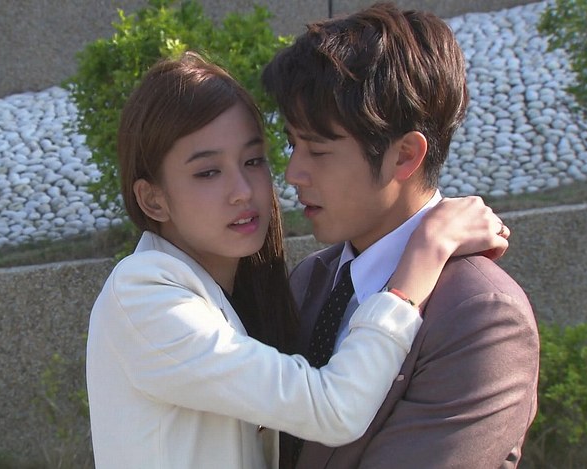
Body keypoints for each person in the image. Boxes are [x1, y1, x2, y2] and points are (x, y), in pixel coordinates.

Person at [86, 51, 511, 469]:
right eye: (208, 172)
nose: (243, 190)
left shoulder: (244, 292)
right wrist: (425, 253)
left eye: (253, 160)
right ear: (153, 199)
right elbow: (334, 409)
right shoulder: (144, 296)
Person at [261, 3, 540, 468]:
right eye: (293, 144)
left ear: (405, 155)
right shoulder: (313, 279)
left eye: (318, 150)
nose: (293, 173)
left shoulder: (481, 315)